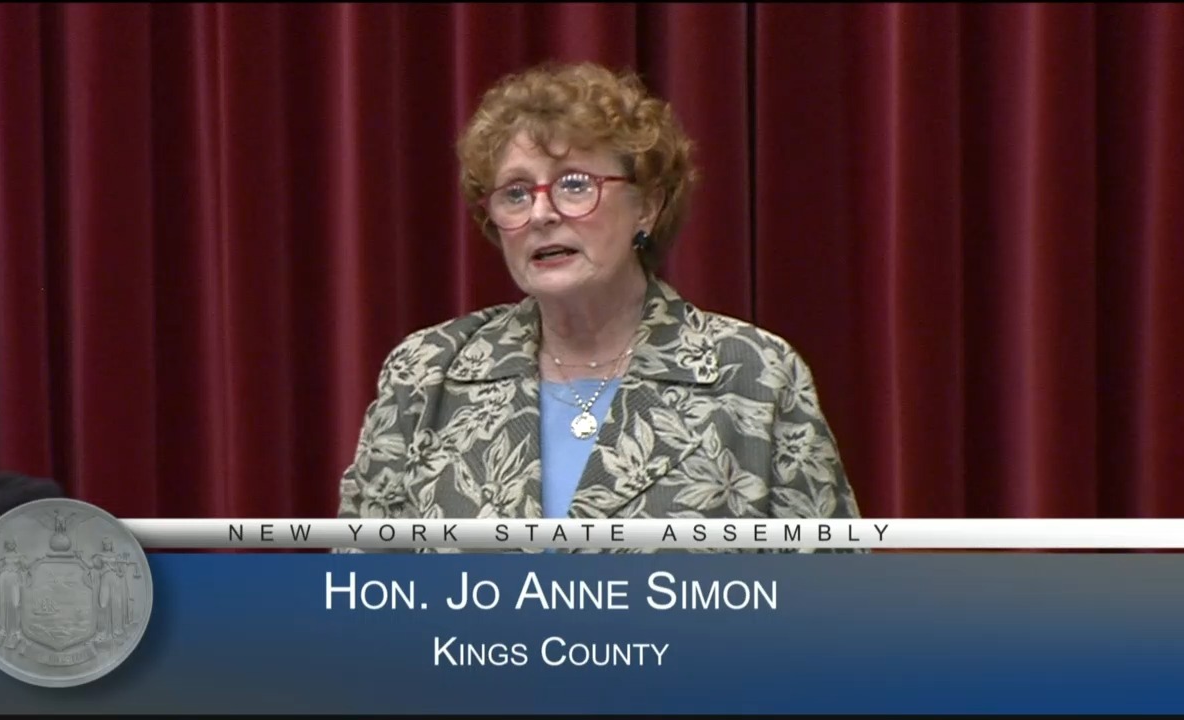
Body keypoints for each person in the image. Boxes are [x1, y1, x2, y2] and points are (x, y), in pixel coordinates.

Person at [336, 61, 861, 547]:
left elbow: (830, 598)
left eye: (574, 185)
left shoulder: (753, 375)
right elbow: (360, 590)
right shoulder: (426, 374)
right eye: (515, 193)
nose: (540, 213)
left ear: (647, 207)